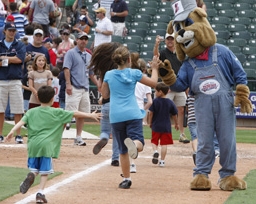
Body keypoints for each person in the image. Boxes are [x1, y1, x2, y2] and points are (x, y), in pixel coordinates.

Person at [5, 85, 102, 204]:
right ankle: (40, 193)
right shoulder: (57, 112)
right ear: (52, 99)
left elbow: (21, 122)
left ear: (38, 98)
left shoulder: (31, 112)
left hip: (33, 145)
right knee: (45, 171)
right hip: (47, 145)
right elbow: (75, 113)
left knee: (35, 168)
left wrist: (12, 131)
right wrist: (90, 115)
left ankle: (32, 174)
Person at [101, 46, 160, 189]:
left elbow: (104, 95)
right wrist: (155, 68)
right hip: (132, 113)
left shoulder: (109, 74)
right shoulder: (135, 73)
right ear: (128, 59)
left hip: (116, 115)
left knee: (122, 150)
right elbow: (154, 83)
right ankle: (134, 144)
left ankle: (126, 179)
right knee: (139, 142)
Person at [63, 32, 99, 146]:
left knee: (82, 114)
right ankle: (57, 135)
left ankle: (78, 137)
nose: (83, 41)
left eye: (85, 39)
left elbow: (92, 73)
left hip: (85, 88)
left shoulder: (88, 56)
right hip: (74, 87)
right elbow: (66, 69)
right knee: (69, 114)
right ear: (77, 40)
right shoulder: (71, 53)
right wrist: (68, 84)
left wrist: (98, 84)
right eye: (81, 39)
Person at [153, 32, 190, 144]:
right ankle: (160, 132)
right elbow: (156, 57)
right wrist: (156, 45)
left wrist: (185, 85)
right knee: (163, 110)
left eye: (171, 39)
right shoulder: (164, 52)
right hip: (167, 86)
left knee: (181, 110)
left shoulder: (180, 53)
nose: (170, 41)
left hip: (179, 85)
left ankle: (182, 134)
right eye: (168, 39)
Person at [89, 42, 121, 167]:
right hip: (118, 106)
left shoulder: (104, 72)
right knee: (117, 134)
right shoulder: (119, 71)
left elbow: (104, 92)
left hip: (106, 105)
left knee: (105, 130)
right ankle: (115, 158)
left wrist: (102, 97)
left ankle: (104, 138)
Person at [0, 23, 26, 143]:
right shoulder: (0, 44)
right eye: (10, 30)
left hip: (15, 79)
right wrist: (12, 59)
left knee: (18, 109)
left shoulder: (19, 44)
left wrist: (5, 59)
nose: (12, 32)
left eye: (13, 30)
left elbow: (20, 59)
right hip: (1, 80)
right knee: (0, 110)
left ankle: (18, 135)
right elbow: (15, 59)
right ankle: (0, 134)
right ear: (4, 31)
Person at [130, 52, 153, 173]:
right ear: (144, 69)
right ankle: (132, 164)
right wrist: (143, 110)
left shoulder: (128, 76)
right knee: (136, 139)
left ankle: (127, 163)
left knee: (126, 136)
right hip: (138, 109)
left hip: (127, 108)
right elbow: (150, 101)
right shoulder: (145, 80)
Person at [148, 82, 179, 167]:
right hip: (166, 127)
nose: (155, 93)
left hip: (156, 125)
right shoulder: (170, 102)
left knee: (154, 141)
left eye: (156, 91)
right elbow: (174, 114)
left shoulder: (155, 101)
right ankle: (162, 161)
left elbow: (151, 113)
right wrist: (176, 124)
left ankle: (155, 151)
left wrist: (150, 122)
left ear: (160, 92)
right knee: (164, 144)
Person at [186, 94, 220, 165]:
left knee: (195, 136)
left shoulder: (189, 96)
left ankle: (196, 152)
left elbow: (187, 108)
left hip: (191, 119)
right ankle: (214, 149)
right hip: (201, 118)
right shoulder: (203, 95)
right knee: (207, 135)